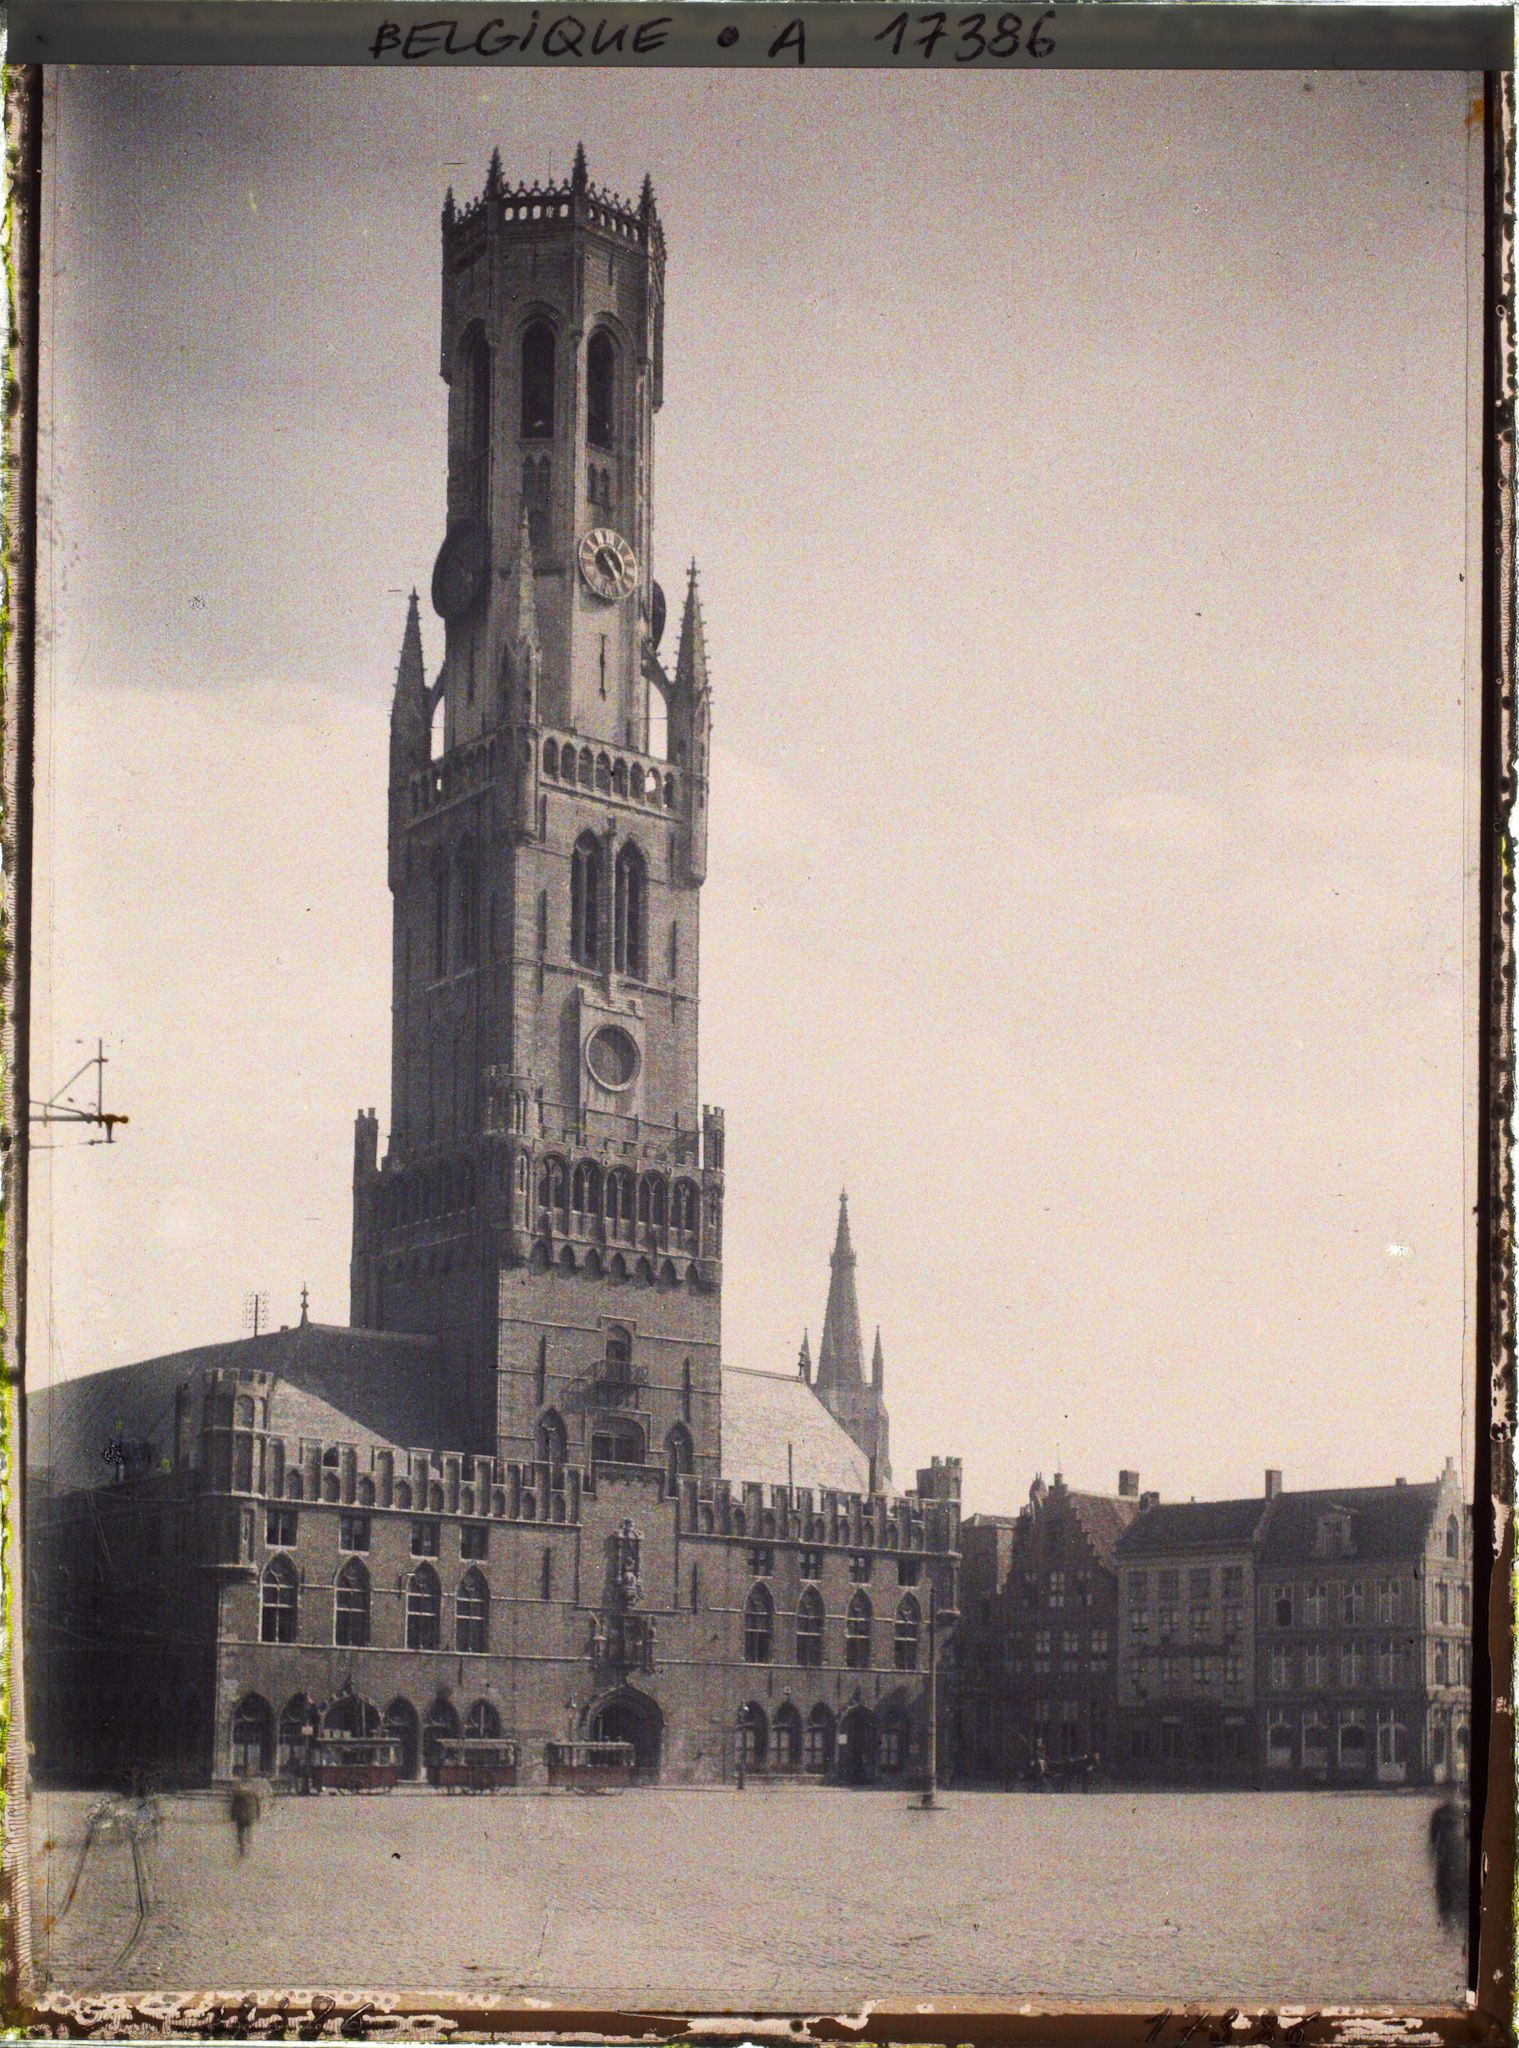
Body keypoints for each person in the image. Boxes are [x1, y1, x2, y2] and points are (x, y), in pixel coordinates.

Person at [229, 1783, 261, 1857]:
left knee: (240, 1833)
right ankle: (248, 1847)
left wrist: (232, 1816)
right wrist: (258, 1815)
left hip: (240, 1816)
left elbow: (233, 1806)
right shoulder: (253, 1793)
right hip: (250, 1815)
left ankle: (242, 1850)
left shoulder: (238, 1794)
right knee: (249, 1831)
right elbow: (258, 1805)